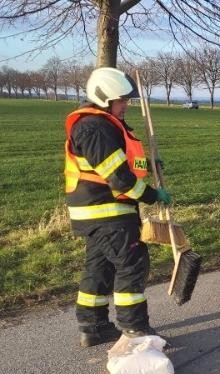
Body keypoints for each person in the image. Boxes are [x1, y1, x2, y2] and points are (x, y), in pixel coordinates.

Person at [64, 67, 171, 348]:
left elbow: (120, 164)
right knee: (132, 263)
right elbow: (119, 178)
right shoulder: (95, 128)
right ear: (104, 98)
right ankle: (135, 328)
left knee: (99, 268)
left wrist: (148, 165)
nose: (126, 105)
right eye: (121, 100)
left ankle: (93, 327)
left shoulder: (99, 125)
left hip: (98, 211)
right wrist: (152, 195)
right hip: (108, 211)